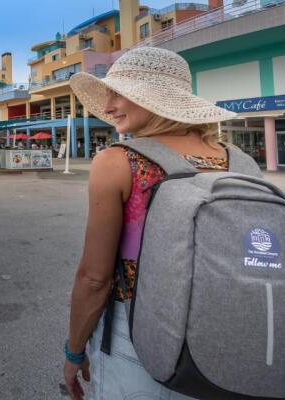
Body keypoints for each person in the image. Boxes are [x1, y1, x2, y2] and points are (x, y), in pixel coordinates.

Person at [63, 47, 237, 399]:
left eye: (117, 94)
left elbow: (95, 279)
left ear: (153, 98)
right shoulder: (238, 160)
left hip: (141, 333)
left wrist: (74, 351)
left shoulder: (118, 161)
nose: (109, 107)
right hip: (227, 332)